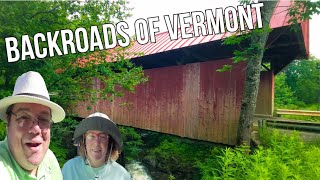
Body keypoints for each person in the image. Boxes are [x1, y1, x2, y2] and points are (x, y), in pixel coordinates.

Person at [0, 71, 66, 179]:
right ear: (8, 122)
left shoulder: (49, 159)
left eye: (44, 119)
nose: (36, 129)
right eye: (24, 117)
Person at [62, 112, 131, 180]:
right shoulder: (70, 168)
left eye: (102, 137)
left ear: (110, 142)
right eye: (91, 136)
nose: (96, 143)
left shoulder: (122, 175)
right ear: (84, 140)